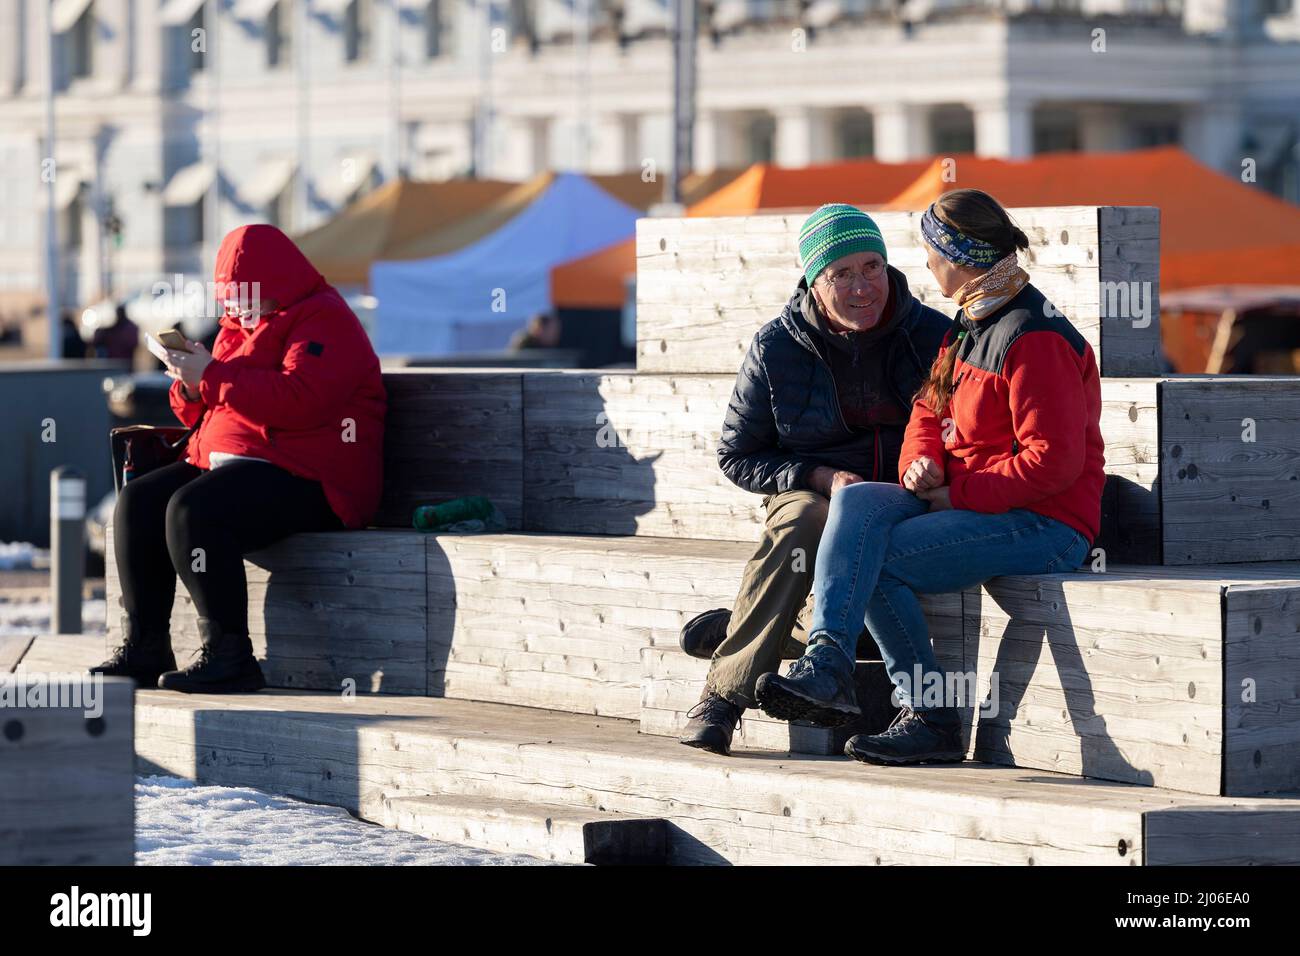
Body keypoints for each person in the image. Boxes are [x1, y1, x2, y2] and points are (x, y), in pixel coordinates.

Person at [753, 188, 1105, 765]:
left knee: (879, 559)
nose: (924, 264)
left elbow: (1053, 463)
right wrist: (924, 462)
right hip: (975, 504)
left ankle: (931, 718)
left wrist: (955, 493)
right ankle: (826, 663)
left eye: (931, 252)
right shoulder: (971, 322)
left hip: (1045, 524)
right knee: (859, 503)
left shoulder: (1031, 336)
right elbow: (928, 410)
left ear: (959, 258)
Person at [679, 204, 949, 756]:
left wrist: (934, 473)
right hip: (812, 493)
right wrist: (818, 475)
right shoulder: (775, 345)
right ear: (812, 279)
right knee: (806, 515)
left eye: (872, 267)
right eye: (841, 274)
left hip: (905, 497)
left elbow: (966, 427)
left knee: (865, 546)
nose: (862, 287)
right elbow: (737, 454)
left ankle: (756, 626)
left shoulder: (934, 336)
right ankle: (723, 697)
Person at [92, 224, 387, 694]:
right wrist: (190, 384)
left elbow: (302, 398)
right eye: (229, 298)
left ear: (277, 285)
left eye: (247, 296)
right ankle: (145, 645)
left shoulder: (323, 319)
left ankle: (229, 654)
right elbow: (207, 406)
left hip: (312, 475)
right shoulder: (236, 328)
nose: (237, 307)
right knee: (139, 502)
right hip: (237, 460)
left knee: (193, 509)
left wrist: (210, 376)